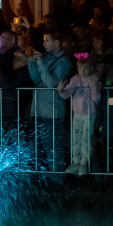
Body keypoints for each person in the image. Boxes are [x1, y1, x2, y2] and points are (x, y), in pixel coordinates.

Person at [27, 30, 72, 173]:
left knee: (54, 147)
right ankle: (50, 178)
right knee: (46, 147)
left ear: (56, 42)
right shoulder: (46, 58)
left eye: (47, 41)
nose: (43, 43)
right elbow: (36, 79)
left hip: (52, 111)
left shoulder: (64, 62)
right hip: (40, 109)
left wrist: (41, 63)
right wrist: (32, 62)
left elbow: (52, 83)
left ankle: (57, 179)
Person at [58, 53, 101, 175]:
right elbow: (66, 93)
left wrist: (94, 86)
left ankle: (84, 163)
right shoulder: (76, 79)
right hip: (77, 112)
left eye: (85, 69)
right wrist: (61, 89)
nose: (82, 71)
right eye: (80, 69)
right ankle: (75, 161)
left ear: (91, 68)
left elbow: (96, 98)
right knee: (75, 137)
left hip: (89, 114)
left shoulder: (94, 79)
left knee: (86, 138)